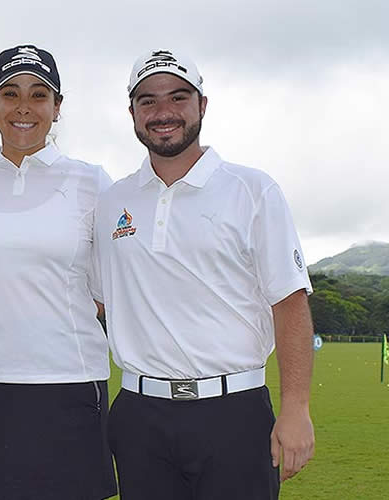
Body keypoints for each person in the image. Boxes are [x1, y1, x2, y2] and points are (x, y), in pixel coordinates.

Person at [94, 49, 315, 500]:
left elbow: (289, 303)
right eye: (147, 101)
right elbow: (96, 300)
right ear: (132, 112)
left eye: (178, 97)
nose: (163, 113)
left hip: (234, 412)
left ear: (202, 105)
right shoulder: (112, 202)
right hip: (139, 415)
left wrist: (296, 409)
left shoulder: (252, 190)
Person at [0, 45, 118, 500]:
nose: (23, 108)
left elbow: (111, 276)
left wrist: (70, 304)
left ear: (57, 107)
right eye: (10, 93)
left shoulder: (92, 181)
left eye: (39, 95)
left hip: (70, 382)